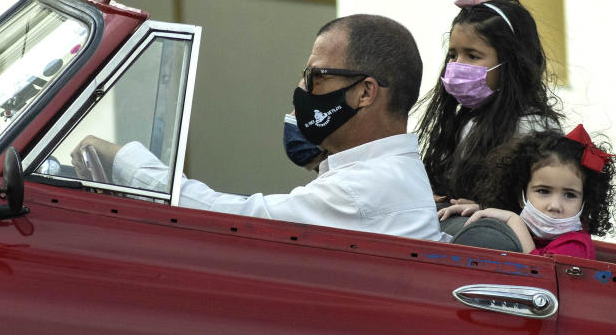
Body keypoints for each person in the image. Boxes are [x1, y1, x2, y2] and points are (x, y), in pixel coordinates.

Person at [72, 14, 444, 242]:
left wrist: (126, 162)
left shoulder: (366, 188)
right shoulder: (381, 174)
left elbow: (235, 223)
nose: (301, 91)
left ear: (365, 92)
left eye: (316, 77)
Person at [417, 0, 562, 206]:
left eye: (473, 56)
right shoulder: (468, 121)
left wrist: (484, 209)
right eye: (453, 55)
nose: (457, 66)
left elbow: (543, 206)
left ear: (511, 62)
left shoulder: (532, 128)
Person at [438, 126, 616, 258]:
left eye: (569, 195)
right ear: (521, 196)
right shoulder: (530, 226)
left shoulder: (575, 246)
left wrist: (513, 220)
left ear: (585, 201)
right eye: (543, 191)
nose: (554, 206)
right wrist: (482, 209)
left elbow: (538, 272)